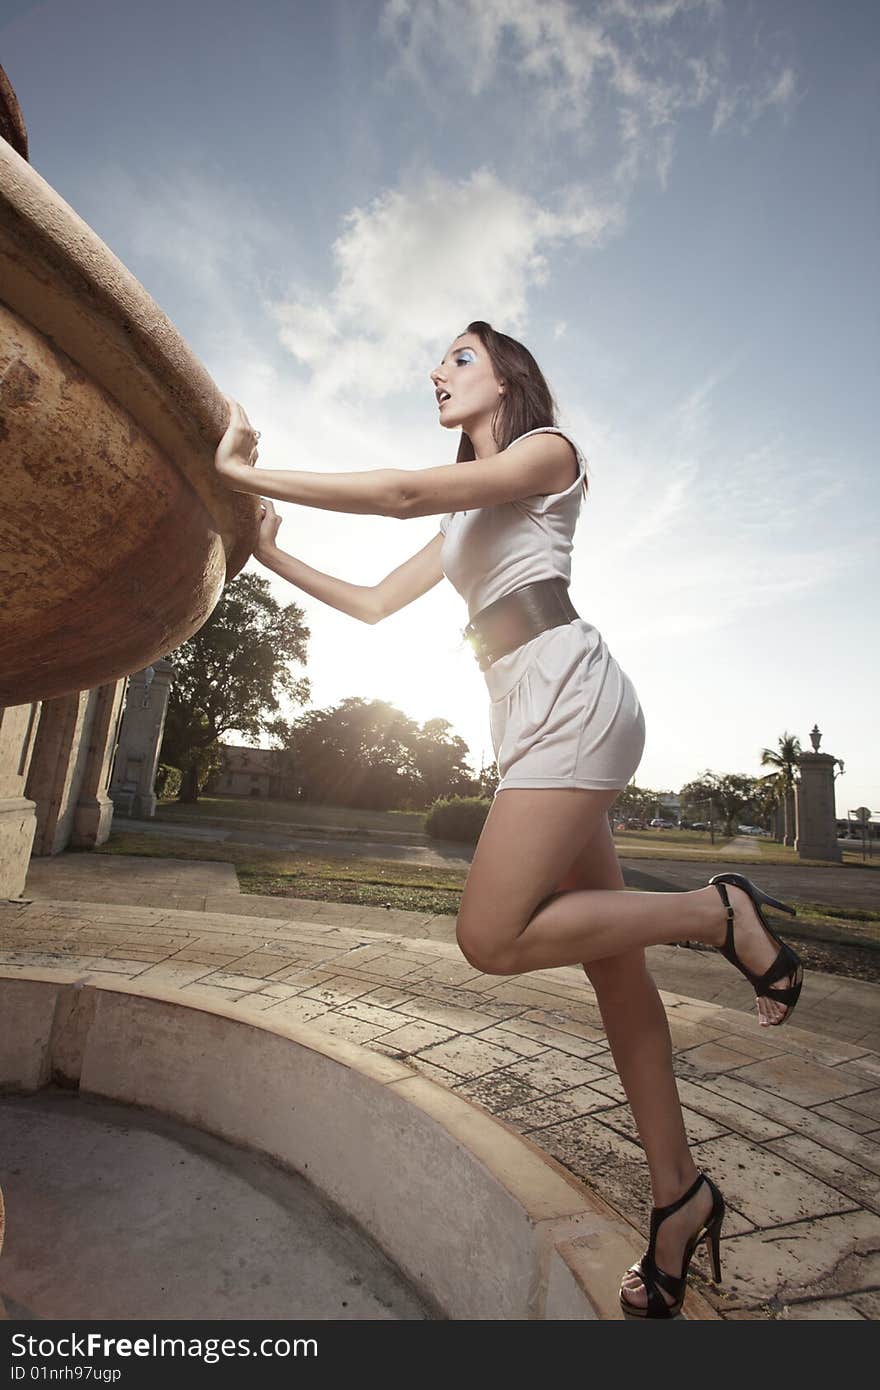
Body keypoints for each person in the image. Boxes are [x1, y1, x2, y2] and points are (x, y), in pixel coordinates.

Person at [213, 320, 803, 1319]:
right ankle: (679, 1197)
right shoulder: (460, 528)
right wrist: (268, 553)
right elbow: (365, 603)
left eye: (458, 358)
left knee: (489, 935)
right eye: (439, 361)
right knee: (617, 976)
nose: (436, 374)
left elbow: (400, 489)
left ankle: (716, 910)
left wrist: (244, 470)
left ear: (505, 377)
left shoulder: (547, 455)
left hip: (571, 696)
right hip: (529, 723)